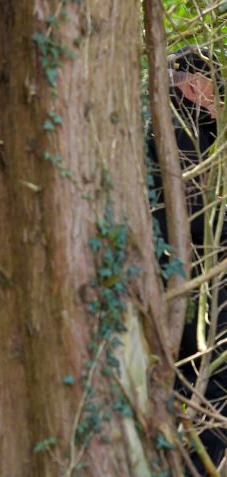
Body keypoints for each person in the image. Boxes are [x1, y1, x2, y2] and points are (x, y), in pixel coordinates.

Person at [148, 46, 224, 472]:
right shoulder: (180, 132)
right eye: (214, 89)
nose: (217, 99)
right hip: (190, 274)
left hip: (186, 273)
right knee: (207, 371)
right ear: (195, 85)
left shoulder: (181, 125)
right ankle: (197, 461)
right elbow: (194, 214)